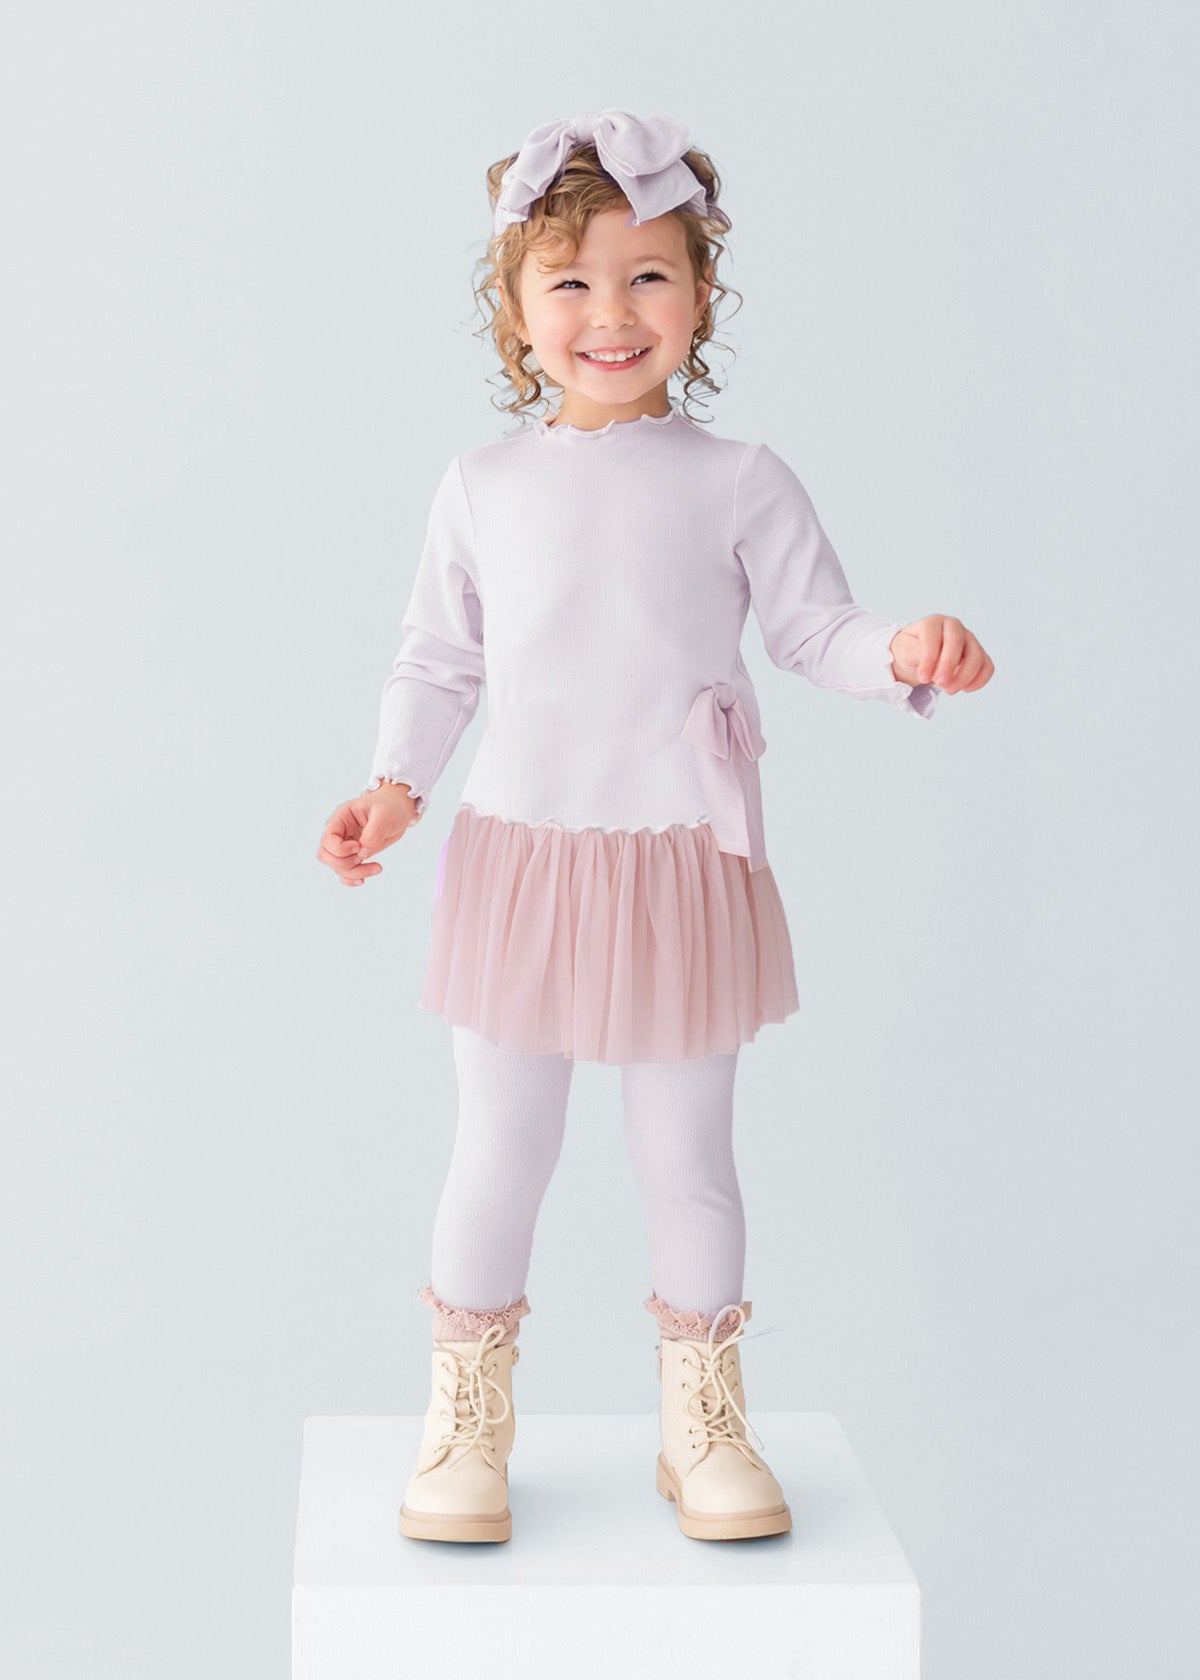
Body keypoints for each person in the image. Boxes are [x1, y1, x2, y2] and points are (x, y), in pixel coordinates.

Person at [315, 109, 993, 1545]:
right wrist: (394, 784)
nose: (610, 315)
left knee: (687, 1157)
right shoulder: (482, 489)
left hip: (685, 860)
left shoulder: (738, 479)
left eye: (648, 279)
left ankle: (703, 1421)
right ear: (513, 308)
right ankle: (466, 1425)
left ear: (701, 293)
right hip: (521, 859)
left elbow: (816, 628)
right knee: (500, 1148)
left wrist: (904, 652)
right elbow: (441, 662)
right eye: (570, 283)